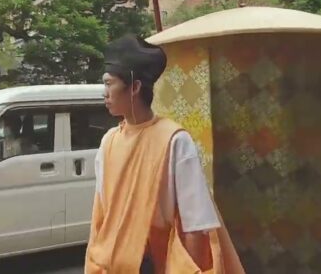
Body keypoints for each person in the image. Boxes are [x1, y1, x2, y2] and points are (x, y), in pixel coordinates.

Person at [85, 34, 244, 274]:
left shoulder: (174, 140)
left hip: (158, 264)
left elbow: (195, 223)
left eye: (109, 84)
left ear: (135, 87)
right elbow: (102, 217)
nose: (104, 93)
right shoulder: (109, 142)